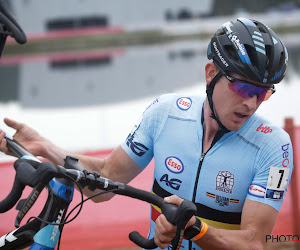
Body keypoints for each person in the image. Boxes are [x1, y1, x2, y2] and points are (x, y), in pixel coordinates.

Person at [0, 17, 293, 250]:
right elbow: (105, 179)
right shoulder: (165, 113)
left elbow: (254, 241)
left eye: (263, 93)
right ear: (209, 74)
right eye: (243, 88)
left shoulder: (272, 146)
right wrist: (43, 147)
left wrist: (196, 230)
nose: (251, 103)